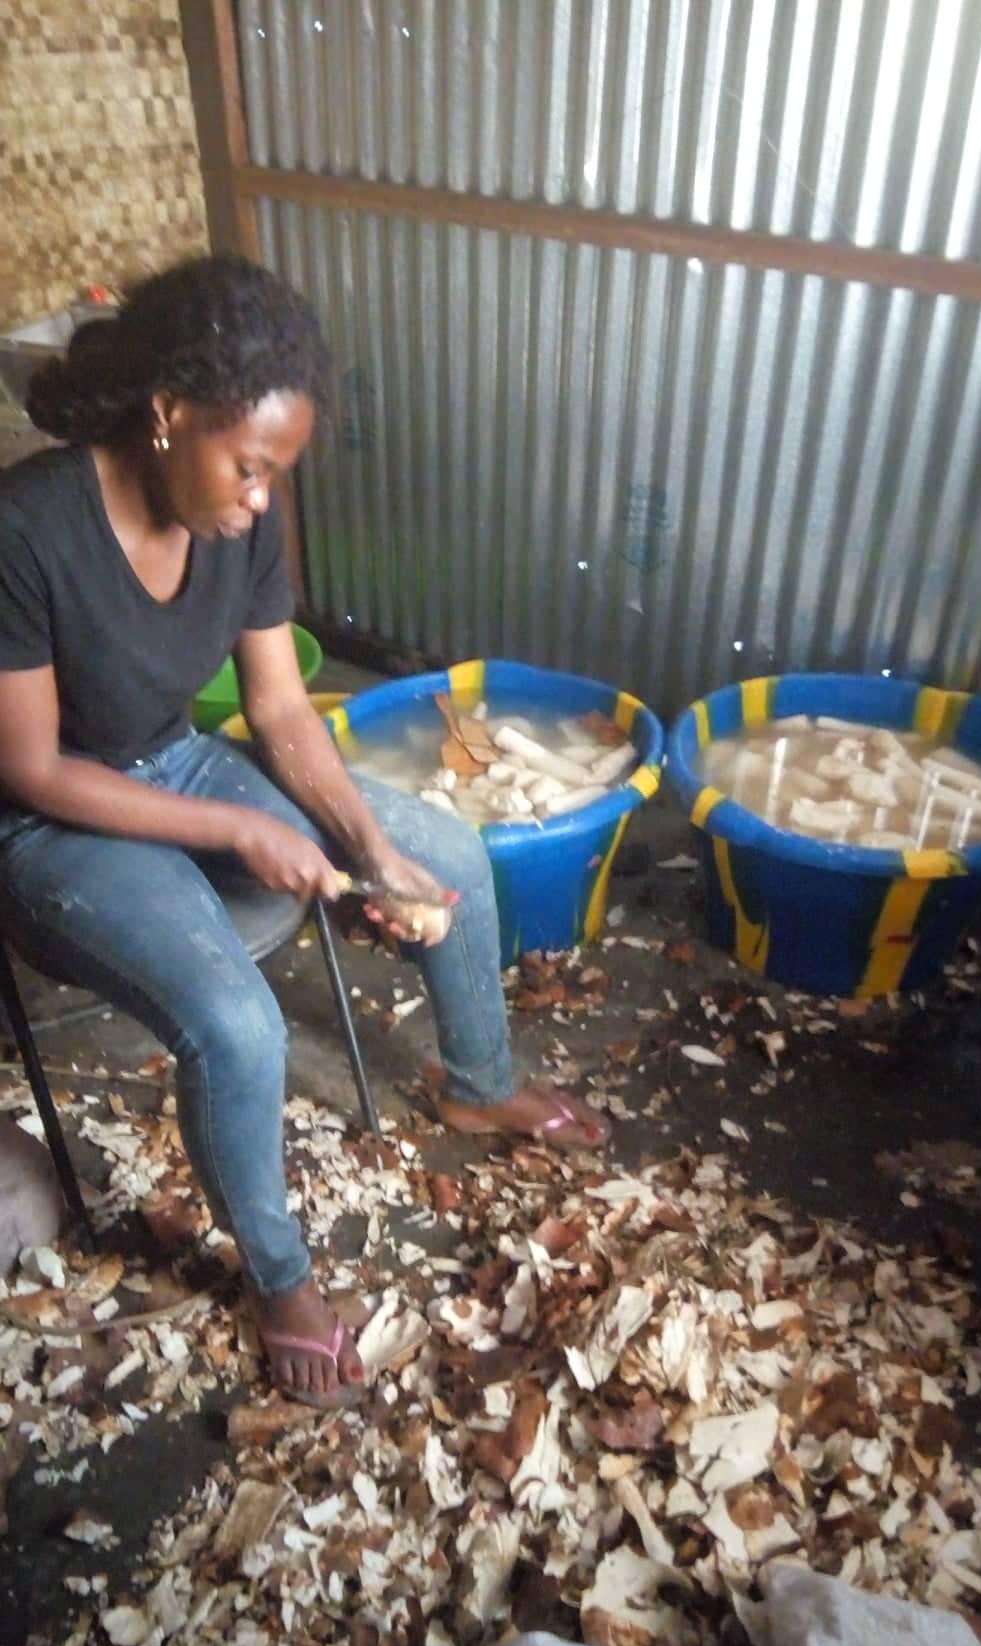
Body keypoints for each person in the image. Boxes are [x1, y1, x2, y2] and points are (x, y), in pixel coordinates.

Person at [0, 255, 607, 1409]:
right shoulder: (27, 530)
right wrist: (232, 821)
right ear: (169, 415)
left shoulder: (235, 521)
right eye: (250, 466)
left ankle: (478, 1083)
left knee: (451, 857)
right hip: (49, 825)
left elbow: (278, 708)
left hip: (175, 760)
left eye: (276, 472)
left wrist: (368, 851)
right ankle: (276, 1278)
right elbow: (31, 766)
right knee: (236, 1025)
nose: (260, 497)